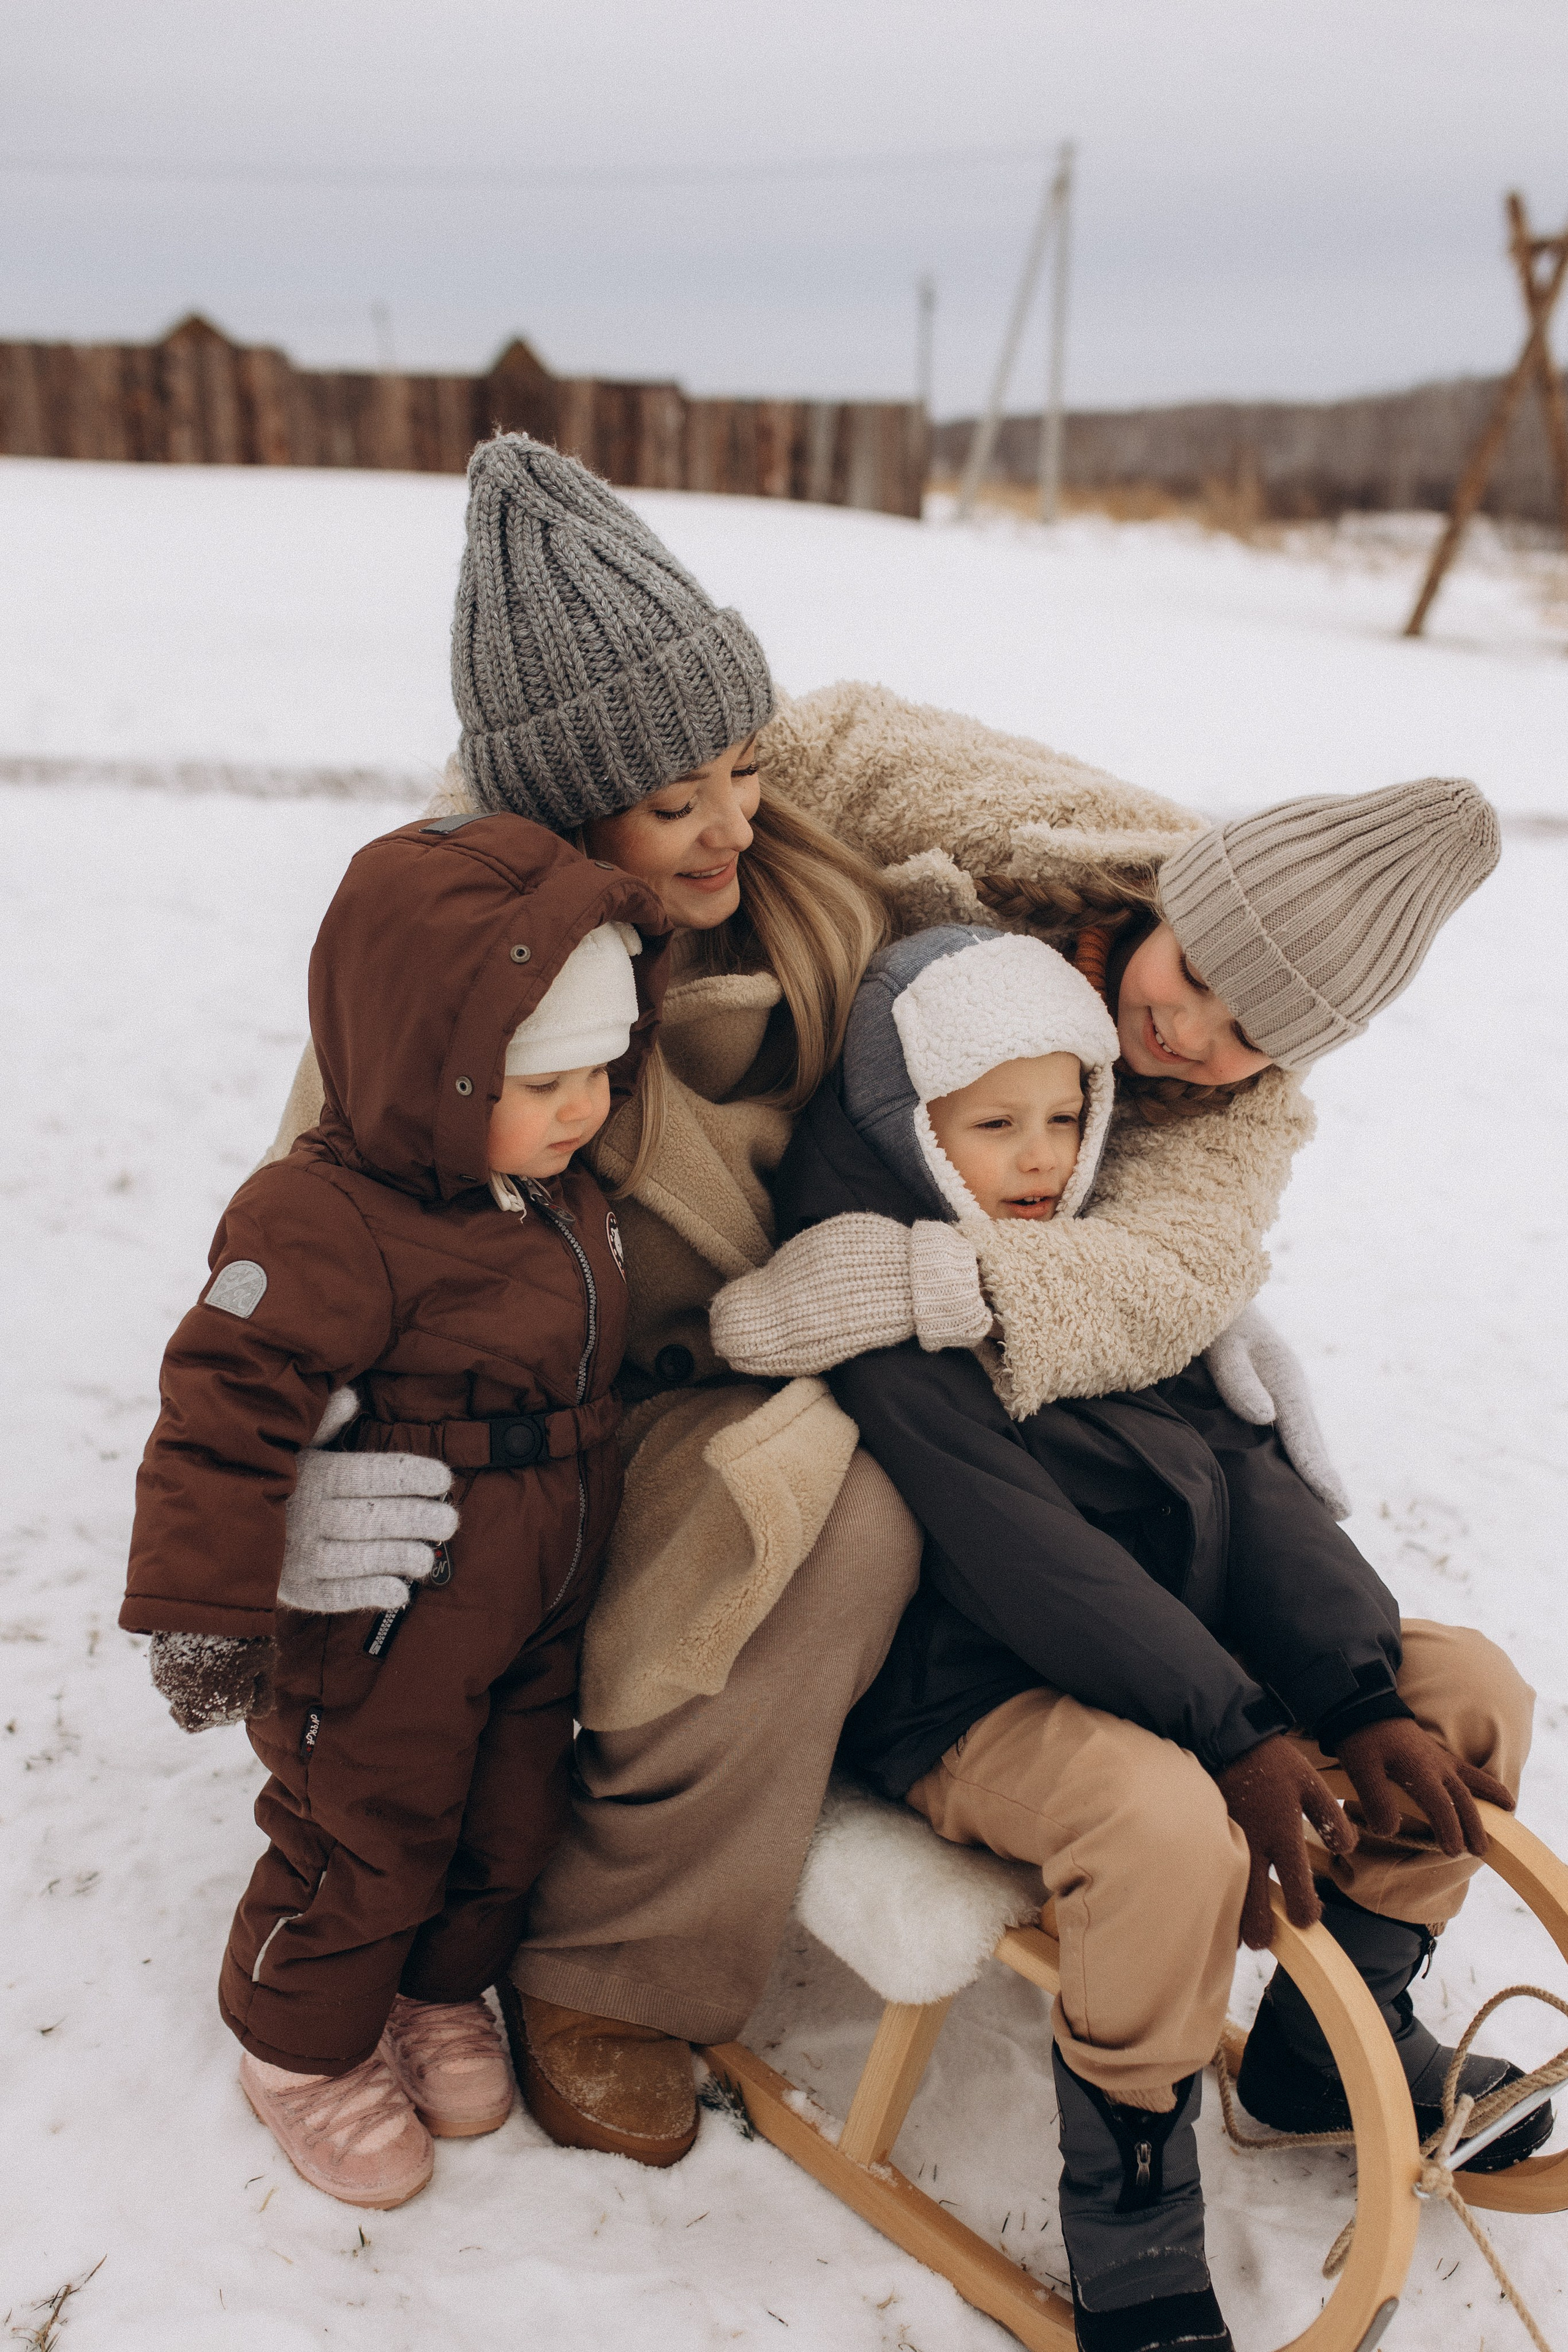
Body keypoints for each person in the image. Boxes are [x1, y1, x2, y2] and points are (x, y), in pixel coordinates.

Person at [261, 432, 1487, 2183]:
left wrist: (1140, 1294)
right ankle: (613, 1965)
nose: (735, 818)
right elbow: (321, 1192)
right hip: (591, 1383)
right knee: (824, 1503)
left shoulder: (822, 881)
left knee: (949, 1463)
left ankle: (1162, 1785)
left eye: (746, 772)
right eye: (677, 796)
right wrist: (298, 1443)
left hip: (833, 1308)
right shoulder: (450, 949)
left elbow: (1132, 1108)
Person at [710, 838, 1540, 2350]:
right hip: (980, 1689)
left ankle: (1321, 2049)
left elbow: (1245, 1476)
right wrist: (1231, 1727)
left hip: (1177, 1650)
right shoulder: (884, 1297)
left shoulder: (1087, 1264)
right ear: (907, 1125)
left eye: (1063, 1118)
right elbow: (1021, 1551)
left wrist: (1352, 1694)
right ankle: (1127, 2193)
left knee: (1465, 1689)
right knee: (1160, 1824)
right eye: (993, 1125)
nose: (1037, 1157)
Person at [121, 811, 669, 2210]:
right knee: (370, 1827)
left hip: (540, 1593)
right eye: (543, 1081)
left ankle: (434, 1992)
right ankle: (298, 2043)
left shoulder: (558, 1194)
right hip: (387, 1609)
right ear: (434, 1066)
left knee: (507, 1814)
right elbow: (221, 1410)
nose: (583, 1109)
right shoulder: (320, 1216)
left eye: (601, 1073)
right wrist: (211, 1610)